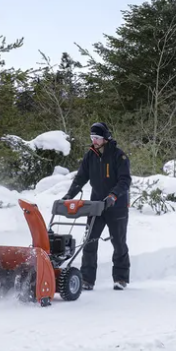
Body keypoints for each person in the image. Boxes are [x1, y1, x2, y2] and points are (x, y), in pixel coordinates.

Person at [62, 122, 132, 290]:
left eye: (97, 138)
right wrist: (68, 195)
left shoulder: (118, 156)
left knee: (119, 243)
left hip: (117, 207)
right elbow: (80, 178)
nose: (94, 141)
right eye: (92, 137)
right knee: (89, 242)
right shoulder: (90, 156)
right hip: (96, 206)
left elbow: (125, 181)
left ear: (106, 138)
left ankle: (120, 279)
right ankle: (87, 280)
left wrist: (113, 196)